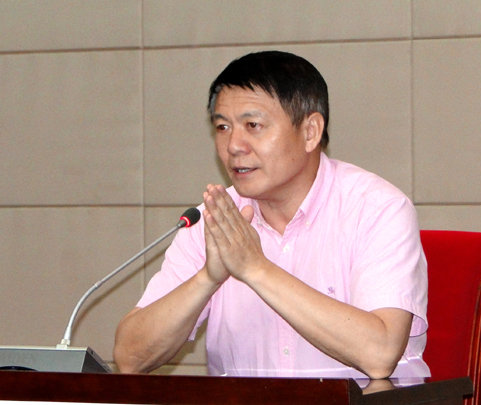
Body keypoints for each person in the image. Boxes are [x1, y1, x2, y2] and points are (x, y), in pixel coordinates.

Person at [113, 50, 429, 379]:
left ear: (310, 132)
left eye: (253, 125)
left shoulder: (377, 209)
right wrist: (207, 278)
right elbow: (130, 358)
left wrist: (255, 268)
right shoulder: (215, 219)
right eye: (222, 127)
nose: (234, 145)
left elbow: (380, 354)